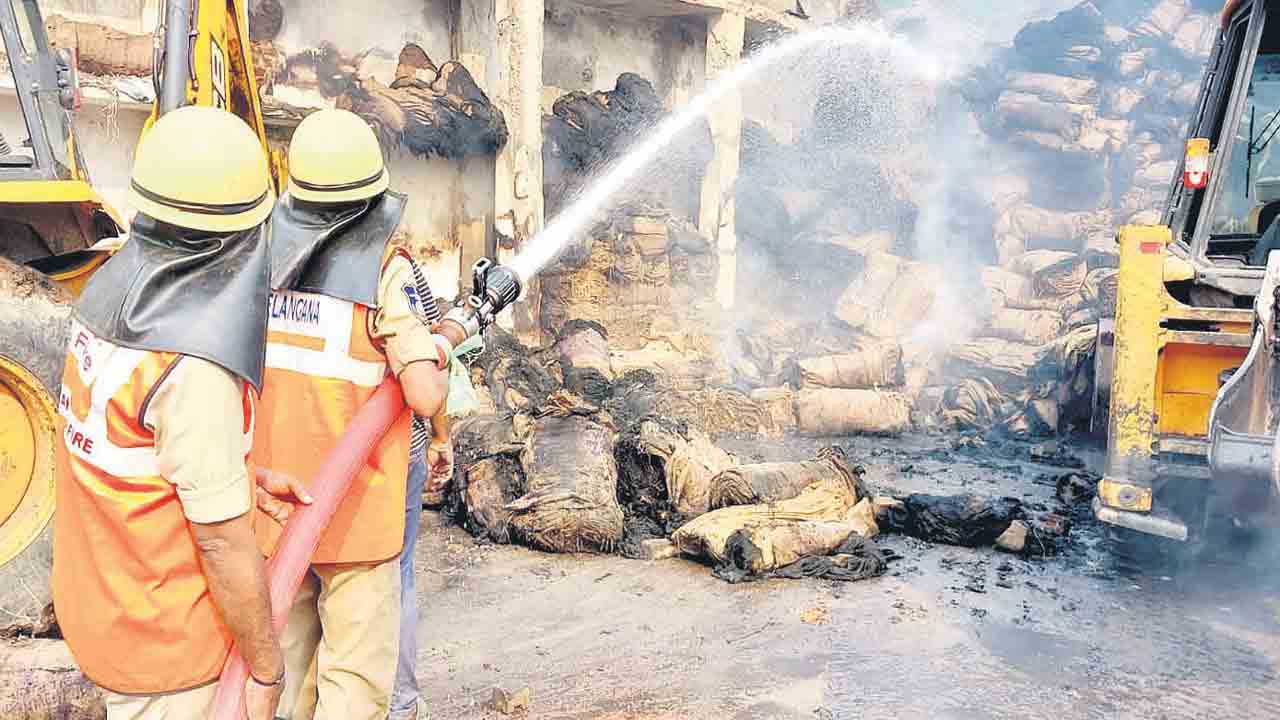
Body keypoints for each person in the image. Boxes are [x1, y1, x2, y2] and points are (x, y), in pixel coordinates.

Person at [52, 105, 295, 720]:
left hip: (102, 608)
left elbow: (134, 451)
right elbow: (221, 544)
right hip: (168, 652)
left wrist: (235, 474)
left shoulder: (109, 294)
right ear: (240, 238)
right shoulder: (194, 365)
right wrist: (266, 671)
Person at [253, 108, 452, 720]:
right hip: (356, 518)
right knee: (354, 681)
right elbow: (422, 394)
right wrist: (438, 347)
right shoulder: (385, 272)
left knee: (287, 673)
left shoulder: (256, 262)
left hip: (276, 507)